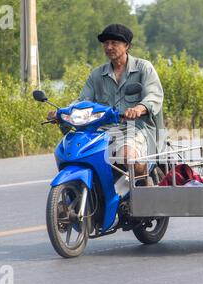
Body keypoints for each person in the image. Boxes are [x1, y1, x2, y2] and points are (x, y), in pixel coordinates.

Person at [48, 24, 166, 186]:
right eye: (106, 43)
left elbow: (154, 96)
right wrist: (63, 112)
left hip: (137, 129)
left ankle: (146, 183)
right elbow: (82, 101)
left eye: (114, 43)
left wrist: (139, 108)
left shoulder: (143, 68)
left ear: (127, 46)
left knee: (127, 156)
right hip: (102, 131)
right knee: (78, 152)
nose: (109, 47)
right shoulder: (97, 74)